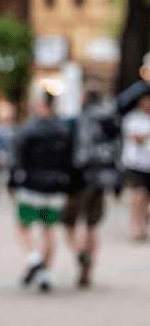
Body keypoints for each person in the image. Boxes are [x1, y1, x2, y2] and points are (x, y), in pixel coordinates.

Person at [8, 91, 75, 292]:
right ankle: (44, 272)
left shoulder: (29, 128)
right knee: (48, 229)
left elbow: (16, 157)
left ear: (40, 103)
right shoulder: (64, 128)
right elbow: (71, 160)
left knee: (23, 227)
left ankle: (34, 260)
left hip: (31, 186)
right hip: (55, 187)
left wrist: (11, 183)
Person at [61, 89, 121, 287]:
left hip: (79, 179)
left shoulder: (79, 120)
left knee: (69, 223)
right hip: (102, 179)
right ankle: (88, 267)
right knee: (92, 225)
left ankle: (80, 254)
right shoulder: (110, 120)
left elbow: (73, 151)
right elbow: (117, 150)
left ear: (84, 99)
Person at [121, 92, 150, 241]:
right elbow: (137, 139)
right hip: (136, 164)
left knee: (146, 199)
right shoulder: (133, 118)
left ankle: (143, 225)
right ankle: (135, 225)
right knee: (139, 194)